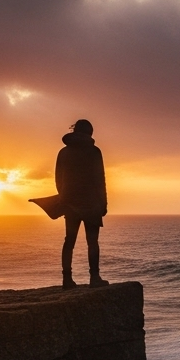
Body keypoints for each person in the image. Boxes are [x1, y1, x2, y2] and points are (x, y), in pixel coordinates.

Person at [55, 119, 108, 288]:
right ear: (89, 133)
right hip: (91, 203)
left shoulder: (63, 152)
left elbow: (58, 179)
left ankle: (66, 279)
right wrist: (103, 203)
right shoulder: (94, 152)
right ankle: (94, 278)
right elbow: (100, 179)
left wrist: (63, 196)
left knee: (69, 241)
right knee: (92, 242)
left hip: (69, 203)